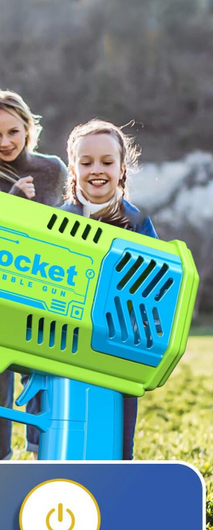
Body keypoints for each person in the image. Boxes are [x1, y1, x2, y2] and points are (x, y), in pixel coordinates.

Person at [0, 89, 67, 460]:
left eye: (12, 132)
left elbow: (65, 228)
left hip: (44, 288)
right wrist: (13, 197)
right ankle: (0, 459)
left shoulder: (53, 169)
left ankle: (42, 452)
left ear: (27, 128)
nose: (4, 142)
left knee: (41, 374)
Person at [62, 119, 157, 460]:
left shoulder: (138, 224)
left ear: (121, 168)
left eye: (106, 162)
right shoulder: (55, 221)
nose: (96, 170)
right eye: (86, 163)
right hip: (61, 347)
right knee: (60, 434)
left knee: (116, 445)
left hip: (117, 347)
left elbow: (154, 289)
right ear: (73, 168)